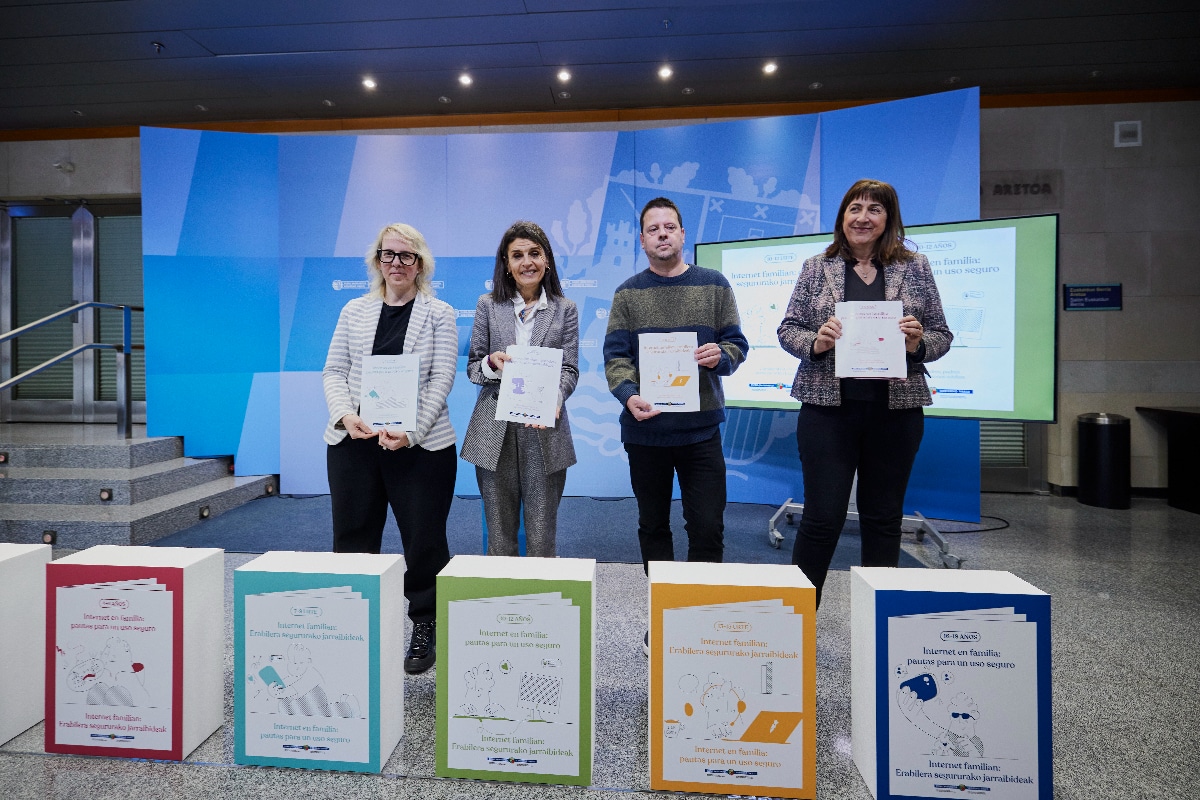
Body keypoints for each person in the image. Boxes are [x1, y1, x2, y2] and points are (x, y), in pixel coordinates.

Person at [777, 179, 952, 606]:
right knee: (821, 519)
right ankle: (799, 621)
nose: (863, 217)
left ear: (888, 219)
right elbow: (788, 329)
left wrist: (918, 344)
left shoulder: (916, 267)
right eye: (855, 208)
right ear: (842, 217)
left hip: (895, 414)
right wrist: (816, 342)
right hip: (827, 412)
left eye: (875, 209)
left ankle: (879, 624)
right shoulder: (816, 267)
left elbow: (942, 334)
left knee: (884, 520)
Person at [604, 196, 749, 651]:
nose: (662, 234)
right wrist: (629, 394)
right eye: (654, 229)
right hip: (645, 433)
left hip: (701, 432)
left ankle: (699, 615)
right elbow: (615, 357)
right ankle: (665, 613)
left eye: (670, 227)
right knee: (653, 527)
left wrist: (721, 355)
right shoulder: (627, 294)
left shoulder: (714, 285)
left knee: (707, 527)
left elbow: (737, 344)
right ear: (642, 239)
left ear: (683, 234)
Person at [322, 222, 458, 674]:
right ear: (377, 260)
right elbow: (333, 371)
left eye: (406, 255)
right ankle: (351, 627)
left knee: (424, 540)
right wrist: (346, 416)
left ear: (420, 263)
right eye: (388, 254)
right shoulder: (353, 310)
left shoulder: (440, 313)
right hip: (355, 443)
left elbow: (441, 380)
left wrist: (412, 432)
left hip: (421, 447)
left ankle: (425, 624)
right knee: (353, 538)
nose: (396, 263)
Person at [461, 221, 580, 557]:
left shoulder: (565, 309)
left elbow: (569, 368)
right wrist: (492, 364)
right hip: (494, 429)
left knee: (541, 537)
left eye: (534, 253)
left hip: (544, 428)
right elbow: (474, 367)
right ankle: (502, 591)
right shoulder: (487, 305)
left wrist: (556, 397)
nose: (527, 262)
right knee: (499, 537)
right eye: (517, 255)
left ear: (547, 260)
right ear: (506, 264)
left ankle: (542, 591)